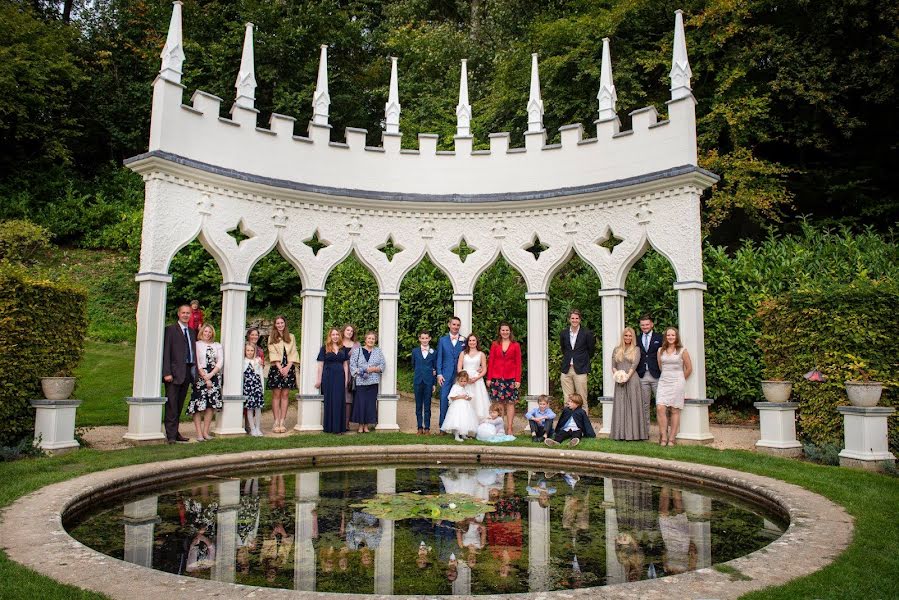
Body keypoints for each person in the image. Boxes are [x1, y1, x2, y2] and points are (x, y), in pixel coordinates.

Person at [161, 304, 196, 444]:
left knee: (179, 404)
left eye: (188, 313)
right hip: (173, 373)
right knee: (171, 405)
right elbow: (166, 352)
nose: (186, 315)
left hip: (187, 371)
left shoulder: (192, 332)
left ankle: (175, 432)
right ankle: (170, 435)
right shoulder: (170, 330)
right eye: (184, 313)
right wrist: (166, 372)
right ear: (178, 314)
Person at [656, 327, 693, 446]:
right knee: (660, 408)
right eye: (668, 335)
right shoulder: (660, 350)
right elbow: (661, 366)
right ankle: (663, 436)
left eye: (673, 335)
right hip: (664, 381)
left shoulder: (682, 350)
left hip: (677, 381)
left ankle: (672, 438)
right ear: (665, 337)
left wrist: (681, 379)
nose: (670, 337)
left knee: (674, 409)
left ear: (676, 337)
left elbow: (689, 368)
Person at [611, 327, 648, 441]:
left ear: (633, 337)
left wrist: (627, 377)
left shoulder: (636, 349)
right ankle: (620, 434)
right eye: (626, 335)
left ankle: (635, 435)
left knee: (633, 406)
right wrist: (617, 376)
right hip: (619, 381)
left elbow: (634, 365)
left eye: (630, 336)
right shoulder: (617, 349)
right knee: (620, 405)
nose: (628, 338)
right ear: (623, 337)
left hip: (632, 379)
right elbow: (613, 366)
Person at [188, 324, 223, 441]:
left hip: (214, 375)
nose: (207, 334)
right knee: (199, 405)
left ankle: (205, 432)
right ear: (201, 332)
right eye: (205, 332)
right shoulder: (197, 345)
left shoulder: (217, 346)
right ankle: (198, 433)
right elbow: (197, 362)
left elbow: (220, 362)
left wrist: (211, 375)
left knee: (210, 406)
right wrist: (205, 378)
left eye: (209, 332)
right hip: (200, 376)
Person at [486, 322, 522, 434]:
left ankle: (510, 427)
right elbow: (491, 361)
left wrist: (518, 379)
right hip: (497, 377)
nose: (505, 332)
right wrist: (489, 378)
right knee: (499, 403)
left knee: (510, 403)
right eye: (503, 330)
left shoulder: (515, 345)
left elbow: (518, 363)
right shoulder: (495, 344)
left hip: (511, 377)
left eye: (507, 330)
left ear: (510, 331)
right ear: (499, 331)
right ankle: (500, 427)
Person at [349, 330, 385, 433]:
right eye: (369, 338)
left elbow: (382, 365)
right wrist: (362, 371)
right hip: (361, 382)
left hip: (373, 382)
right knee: (360, 404)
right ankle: (360, 426)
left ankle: (366, 426)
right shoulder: (358, 351)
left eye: (373, 339)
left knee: (370, 404)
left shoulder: (378, 351)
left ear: (375, 341)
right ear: (365, 339)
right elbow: (352, 365)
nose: (371, 340)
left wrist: (373, 369)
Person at [267, 316, 298, 434]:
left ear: (285, 323)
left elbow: (294, 352)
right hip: (277, 368)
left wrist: (288, 367)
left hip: (288, 368)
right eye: (278, 323)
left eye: (282, 322)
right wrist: (281, 368)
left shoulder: (291, 337)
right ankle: (276, 421)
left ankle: (282, 421)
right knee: (276, 394)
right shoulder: (272, 337)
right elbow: (272, 352)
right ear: (275, 325)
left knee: (285, 394)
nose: (280, 325)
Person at [559, 309, 596, 408]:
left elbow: (591, 350)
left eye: (576, 318)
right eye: (572, 318)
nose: (574, 320)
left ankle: (582, 423)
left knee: (582, 398)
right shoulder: (564, 333)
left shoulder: (587, 333)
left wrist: (581, 360)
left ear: (580, 320)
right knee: (567, 399)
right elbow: (564, 349)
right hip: (566, 369)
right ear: (569, 319)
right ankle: (568, 422)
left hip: (580, 369)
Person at [317, 327, 349, 434]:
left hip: (340, 376)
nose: (335, 336)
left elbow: (345, 365)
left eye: (337, 334)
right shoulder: (324, 348)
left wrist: (346, 379)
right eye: (333, 334)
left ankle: (339, 428)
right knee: (329, 400)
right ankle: (329, 428)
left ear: (339, 336)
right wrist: (319, 380)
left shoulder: (343, 348)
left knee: (339, 400)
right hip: (328, 376)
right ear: (330, 336)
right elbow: (320, 365)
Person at [436, 316, 466, 430]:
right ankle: (442, 426)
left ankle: (457, 426)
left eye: (458, 325)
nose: (456, 327)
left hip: (460, 375)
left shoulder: (464, 340)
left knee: (460, 399)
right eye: (454, 324)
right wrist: (439, 374)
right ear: (449, 325)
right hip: (446, 374)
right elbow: (439, 357)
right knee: (444, 398)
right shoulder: (442, 340)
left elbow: (468, 355)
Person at [637, 314, 664, 434]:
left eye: (647, 324)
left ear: (652, 324)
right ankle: (645, 432)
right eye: (642, 325)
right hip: (642, 375)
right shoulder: (636, 339)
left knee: (661, 405)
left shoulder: (660, 337)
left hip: (657, 375)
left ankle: (663, 432)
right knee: (644, 405)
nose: (645, 327)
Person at [457, 334, 490, 421]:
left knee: (478, 402)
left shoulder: (481, 354)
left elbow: (484, 369)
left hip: (477, 381)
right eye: (470, 340)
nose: (472, 342)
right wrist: (465, 379)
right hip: (465, 380)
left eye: (473, 340)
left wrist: (477, 378)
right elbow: (459, 368)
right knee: (465, 401)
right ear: (467, 342)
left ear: (476, 342)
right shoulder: (463, 353)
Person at [411, 329, 437, 434]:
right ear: (419, 339)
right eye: (422, 338)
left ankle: (427, 428)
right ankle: (419, 427)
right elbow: (413, 365)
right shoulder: (415, 351)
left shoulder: (434, 352)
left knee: (427, 405)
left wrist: (434, 383)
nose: (425, 340)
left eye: (426, 338)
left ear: (429, 338)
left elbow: (435, 368)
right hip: (418, 380)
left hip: (429, 381)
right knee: (418, 405)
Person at [441, 371, 479, 441]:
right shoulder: (455, 387)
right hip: (457, 405)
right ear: (458, 380)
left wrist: (468, 397)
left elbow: (470, 396)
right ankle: (457, 435)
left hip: (466, 406)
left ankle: (464, 434)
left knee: (465, 419)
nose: (463, 383)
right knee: (458, 419)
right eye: (461, 381)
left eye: (465, 381)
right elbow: (452, 397)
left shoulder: (467, 387)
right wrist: (461, 397)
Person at [244, 327, 265, 433]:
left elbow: (261, 374)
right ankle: (251, 428)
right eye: (248, 350)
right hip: (248, 387)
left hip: (257, 387)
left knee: (258, 408)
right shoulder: (243, 361)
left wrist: (262, 388)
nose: (250, 352)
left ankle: (257, 428)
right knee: (249, 408)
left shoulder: (258, 360)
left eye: (252, 350)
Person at [340, 324, 360, 428]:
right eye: (348, 330)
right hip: (338, 372)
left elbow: (360, 360)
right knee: (338, 397)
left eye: (351, 331)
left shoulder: (356, 345)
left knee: (348, 398)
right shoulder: (337, 343)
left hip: (351, 373)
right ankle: (338, 421)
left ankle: (346, 423)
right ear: (343, 331)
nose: (349, 332)